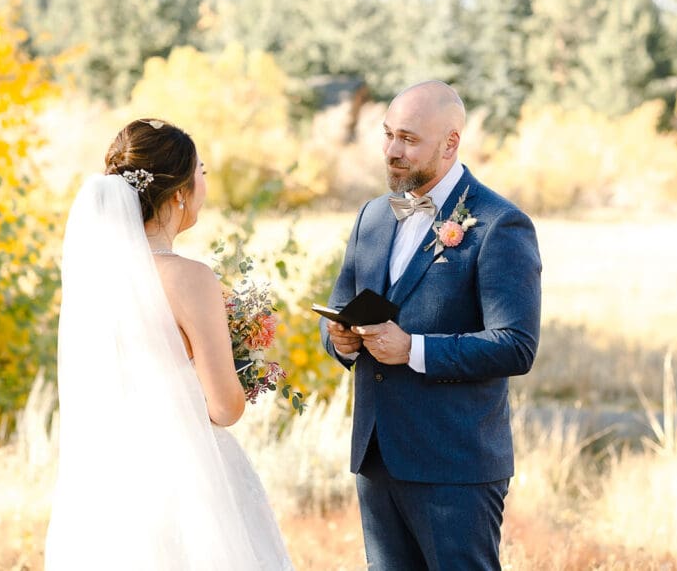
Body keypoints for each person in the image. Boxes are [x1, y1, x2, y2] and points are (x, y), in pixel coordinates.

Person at [45, 118, 292, 570]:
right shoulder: (190, 279)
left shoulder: (97, 280)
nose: (204, 183)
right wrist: (242, 369)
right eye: (201, 173)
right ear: (179, 192)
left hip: (109, 481)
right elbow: (224, 408)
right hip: (185, 480)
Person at [320, 81, 542, 570]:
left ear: (450, 143)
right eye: (388, 135)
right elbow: (340, 306)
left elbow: (516, 345)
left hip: (455, 467)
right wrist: (340, 340)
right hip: (377, 458)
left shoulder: (498, 223)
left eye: (409, 139)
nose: (393, 151)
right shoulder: (373, 217)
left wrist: (413, 349)